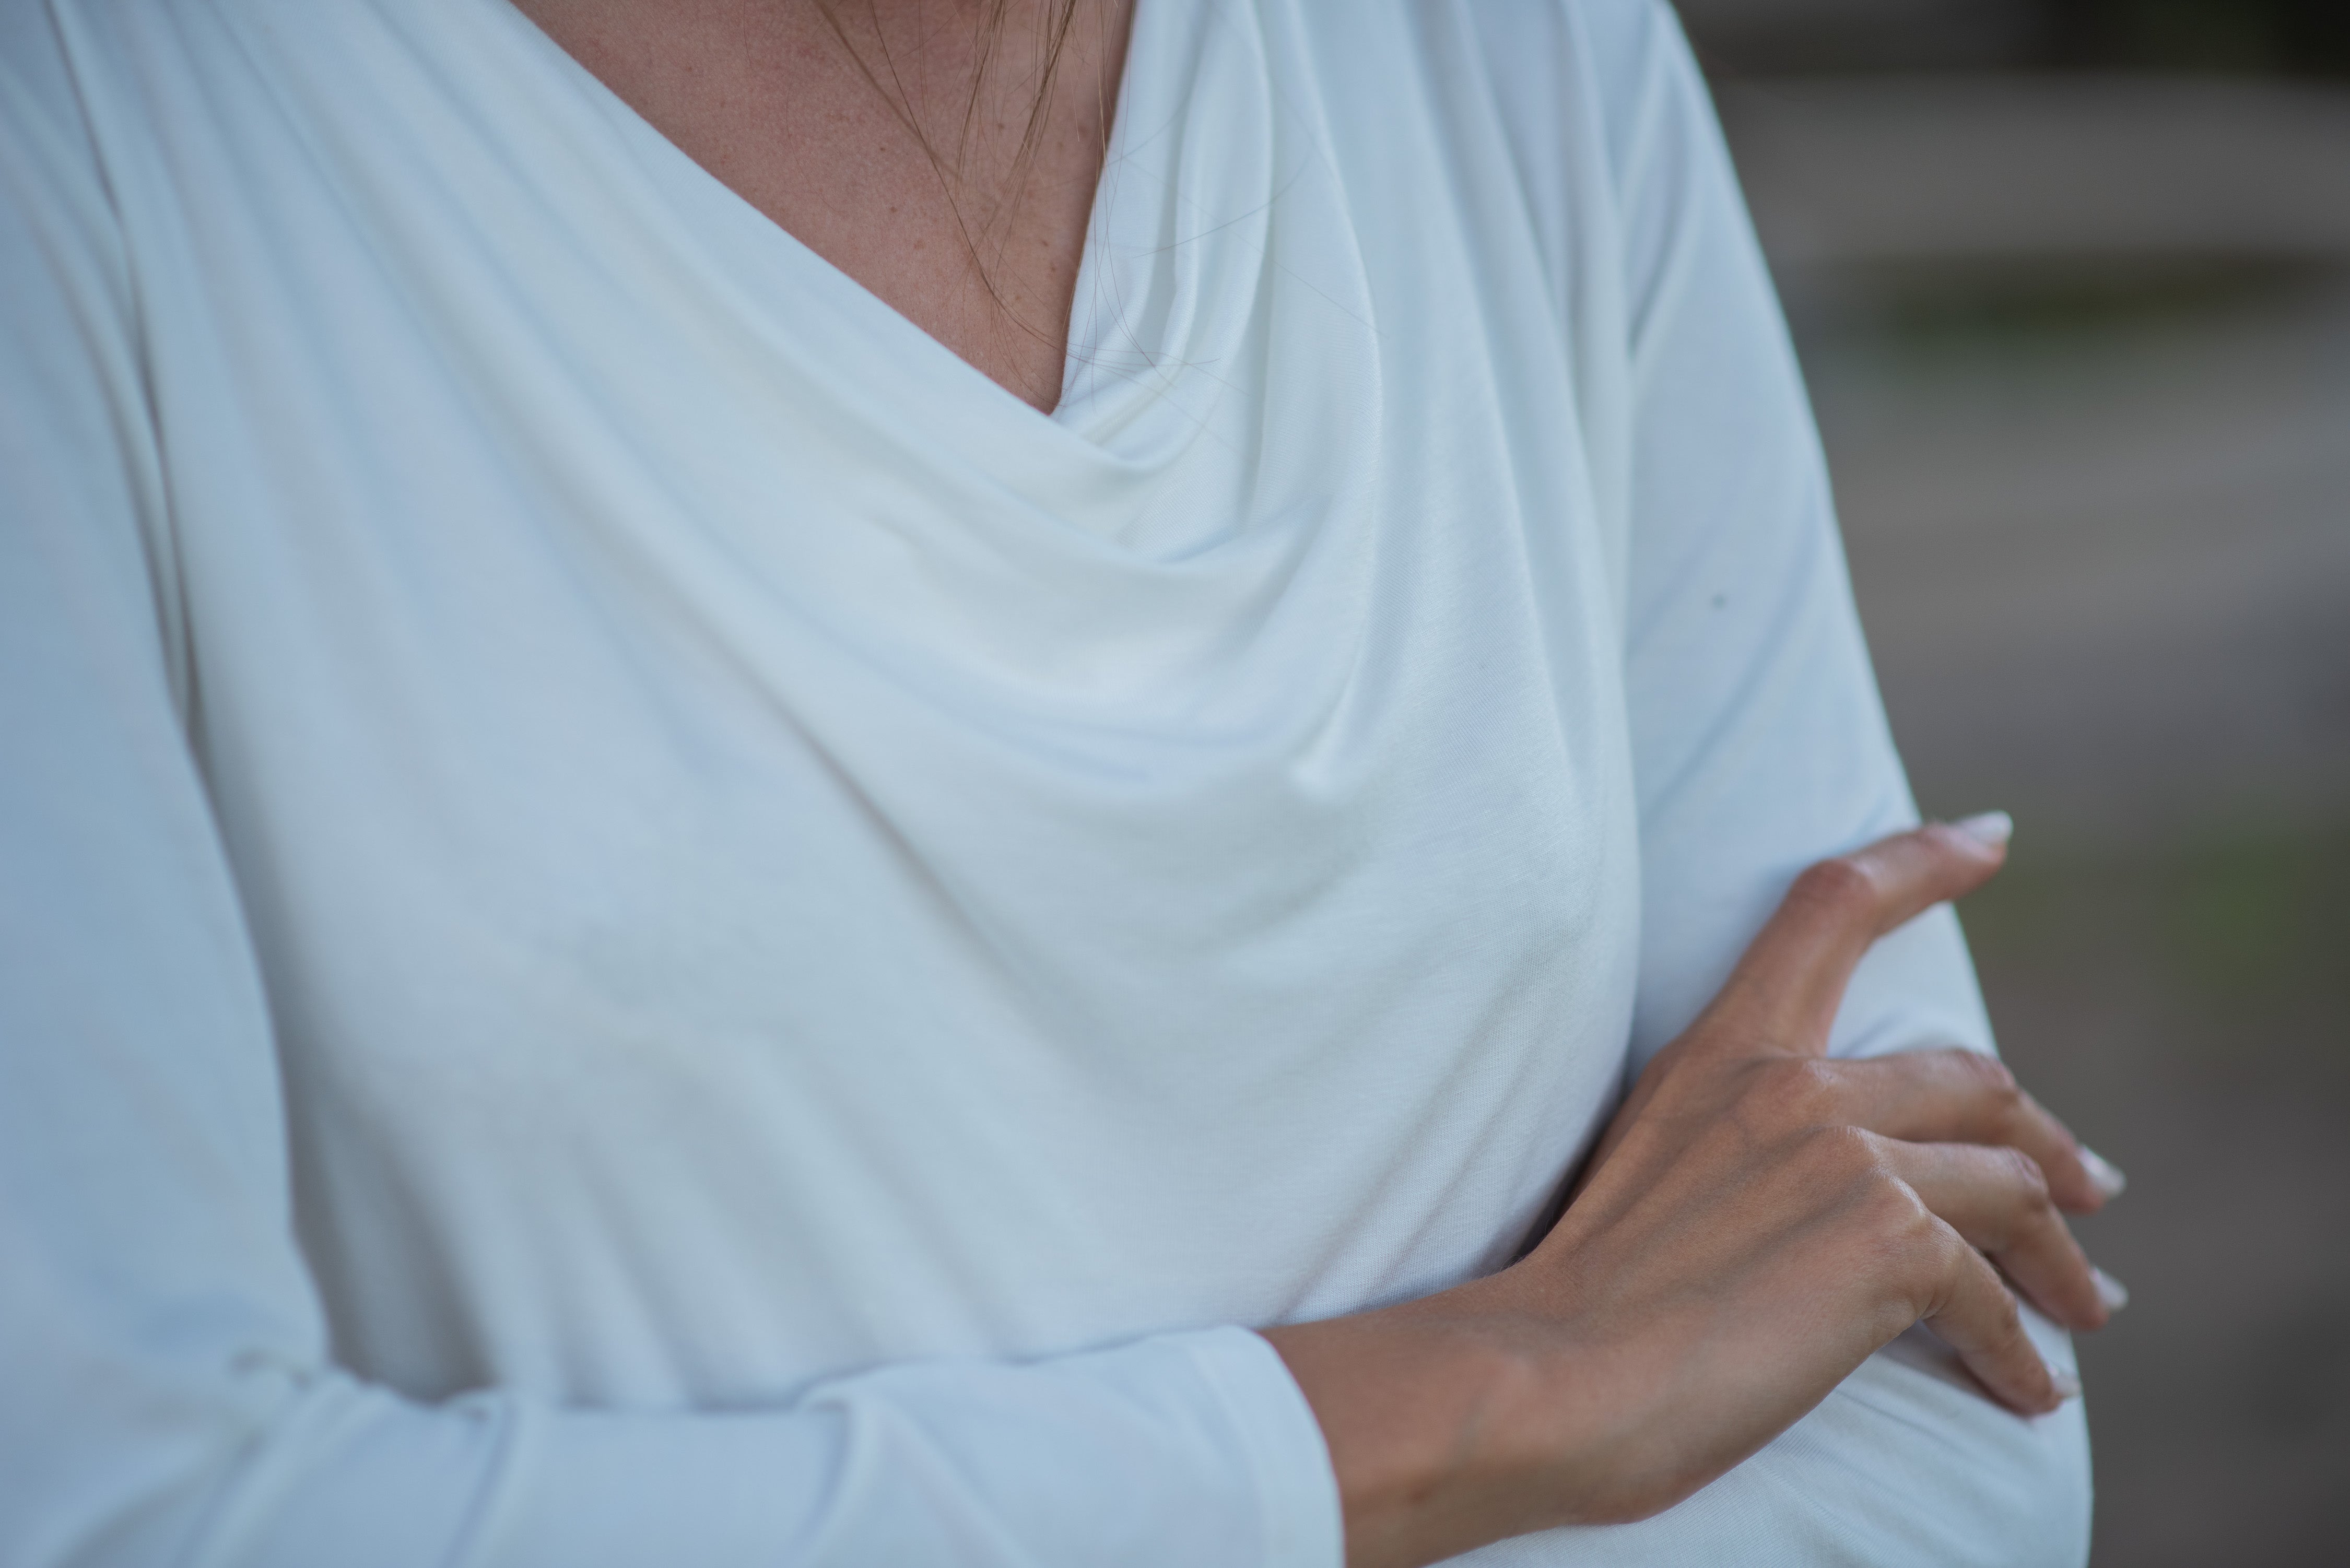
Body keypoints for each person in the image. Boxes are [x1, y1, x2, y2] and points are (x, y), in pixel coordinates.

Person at [0, 0, 2124, 1563]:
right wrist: (1499, 1392)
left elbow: (1952, 1418)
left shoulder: (1516, 62)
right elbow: (126, 1508)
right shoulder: (91, 128)